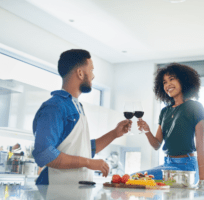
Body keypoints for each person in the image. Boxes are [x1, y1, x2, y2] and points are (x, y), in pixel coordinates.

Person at [32, 49, 132, 185]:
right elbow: (45, 154)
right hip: (57, 191)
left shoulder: (76, 106)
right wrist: (88, 162)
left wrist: (115, 133)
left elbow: (84, 150)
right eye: (91, 70)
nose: (93, 76)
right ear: (80, 73)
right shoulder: (54, 107)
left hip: (76, 191)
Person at [136, 63, 204, 187]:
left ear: (183, 80)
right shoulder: (165, 112)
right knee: (136, 180)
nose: (167, 85)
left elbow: (200, 147)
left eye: (171, 79)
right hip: (167, 165)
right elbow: (156, 145)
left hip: (186, 166)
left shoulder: (195, 107)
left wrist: (202, 181)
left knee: (137, 180)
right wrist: (147, 131)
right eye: (164, 82)